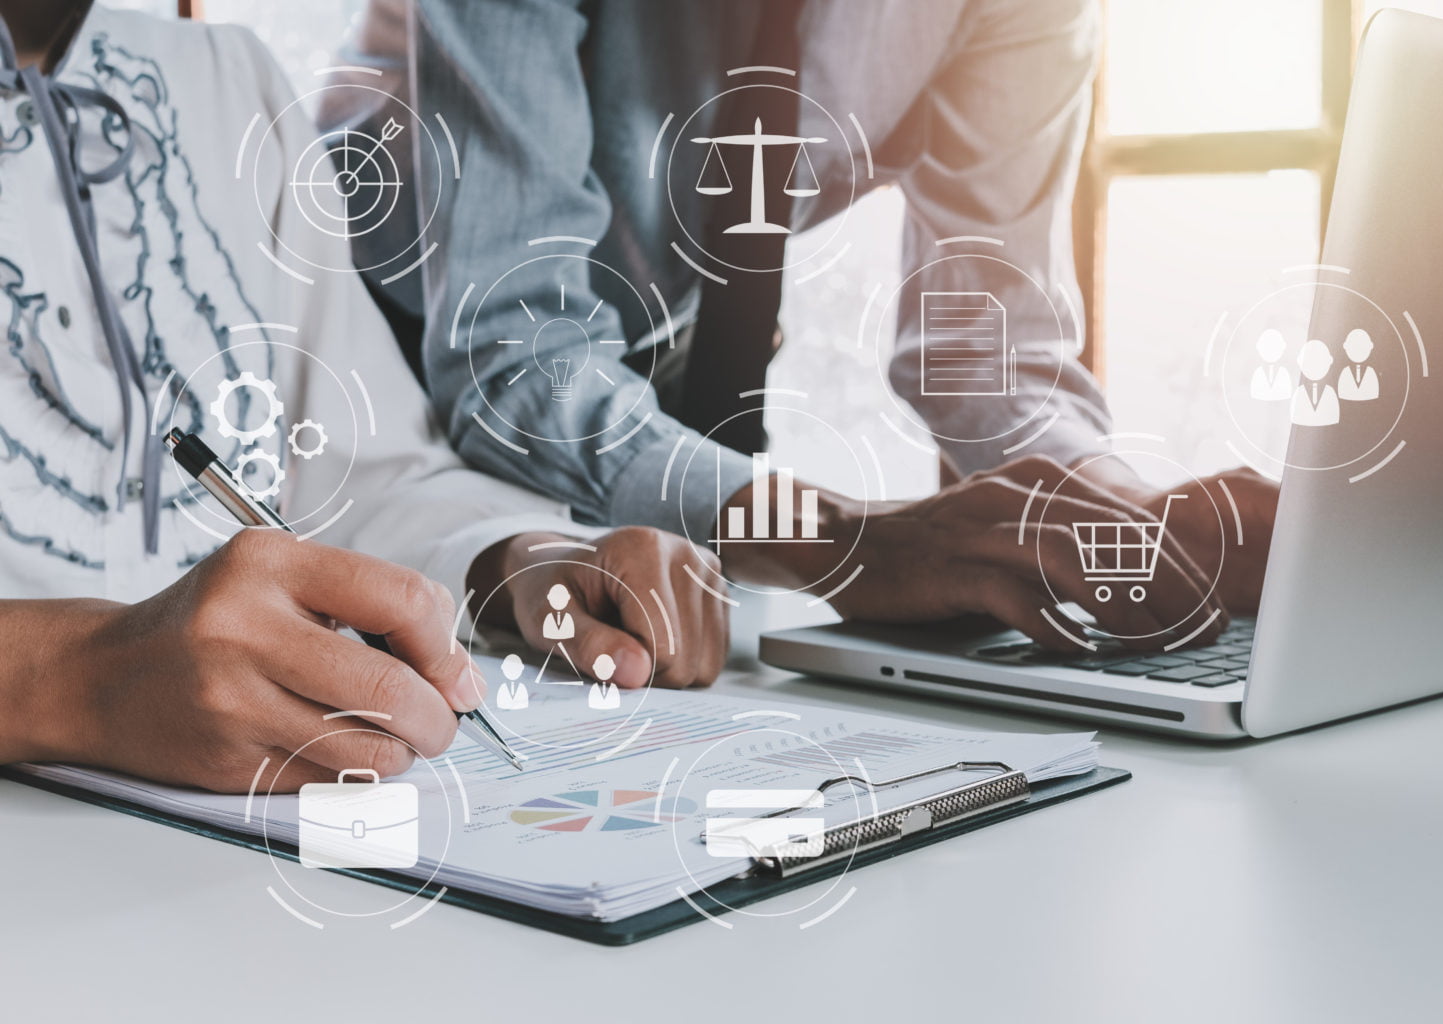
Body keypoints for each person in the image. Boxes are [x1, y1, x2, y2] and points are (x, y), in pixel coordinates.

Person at [0, 1, 727, 794]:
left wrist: (519, 562)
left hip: (239, 859)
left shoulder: (226, 80)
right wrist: (79, 680)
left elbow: (362, 475)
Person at [411, 0, 1278, 648]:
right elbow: (514, 352)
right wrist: (839, 539)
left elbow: (987, 352)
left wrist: (1122, 510)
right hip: (382, 384)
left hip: (648, 378)